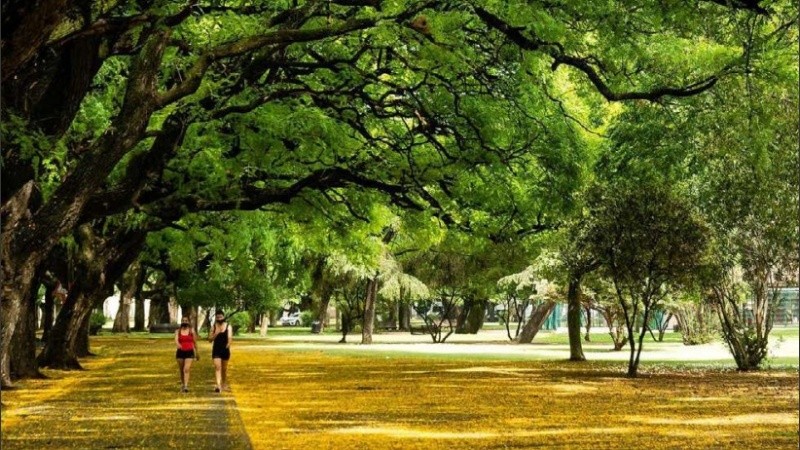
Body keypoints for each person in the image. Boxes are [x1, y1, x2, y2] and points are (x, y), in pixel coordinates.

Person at [208, 310, 232, 393]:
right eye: (217, 317)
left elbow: (229, 338)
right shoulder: (213, 327)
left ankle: (224, 384)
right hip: (216, 350)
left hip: (225, 350)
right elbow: (210, 340)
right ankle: (218, 385)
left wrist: (228, 345)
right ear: (216, 318)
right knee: (218, 367)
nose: (219, 319)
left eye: (221, 317)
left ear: (223, 317)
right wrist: (215, 334)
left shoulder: (228, 326)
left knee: (224, 369)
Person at [175, 316, 198, 393]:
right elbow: (176, 340)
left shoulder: (192, 331)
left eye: (186, 320)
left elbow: (195, 342)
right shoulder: (178, 331)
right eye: (183, 320)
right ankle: (183, 384)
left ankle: (186, 386)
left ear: (188, 322)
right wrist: (178, 344)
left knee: (186, 369)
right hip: (180, 352)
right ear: (181, 321)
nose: (184, 322)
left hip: (189, 352)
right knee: (181, 370)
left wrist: (197, 352)